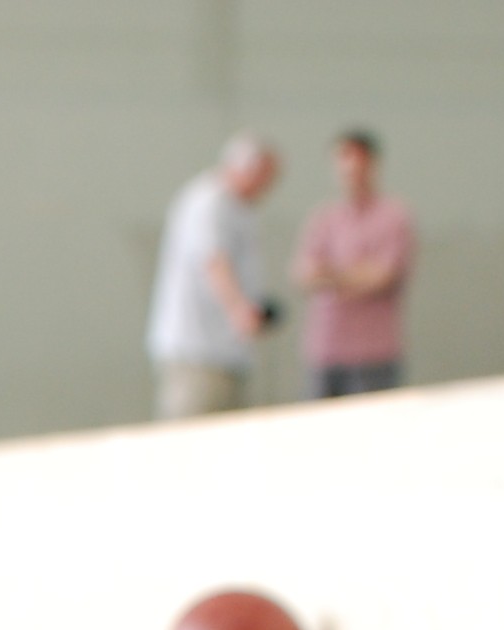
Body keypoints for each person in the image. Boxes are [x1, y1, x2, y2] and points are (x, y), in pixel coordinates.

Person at [146, 133, 280, 422]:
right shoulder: (208, 201)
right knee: (188, 437)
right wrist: (239, 310)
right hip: (195, 350)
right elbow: (213, 260)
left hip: (228, 351)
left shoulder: (242, 209)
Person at [294, 129, 415, 400]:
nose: (350, 169)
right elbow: (304, 276)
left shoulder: (393, 217)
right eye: (342, 160)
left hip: (372, 353)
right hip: (326, 350)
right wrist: (355, 274)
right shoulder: (324, 218)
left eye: (357, 160)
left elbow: (383, 277)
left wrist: (332, 275)